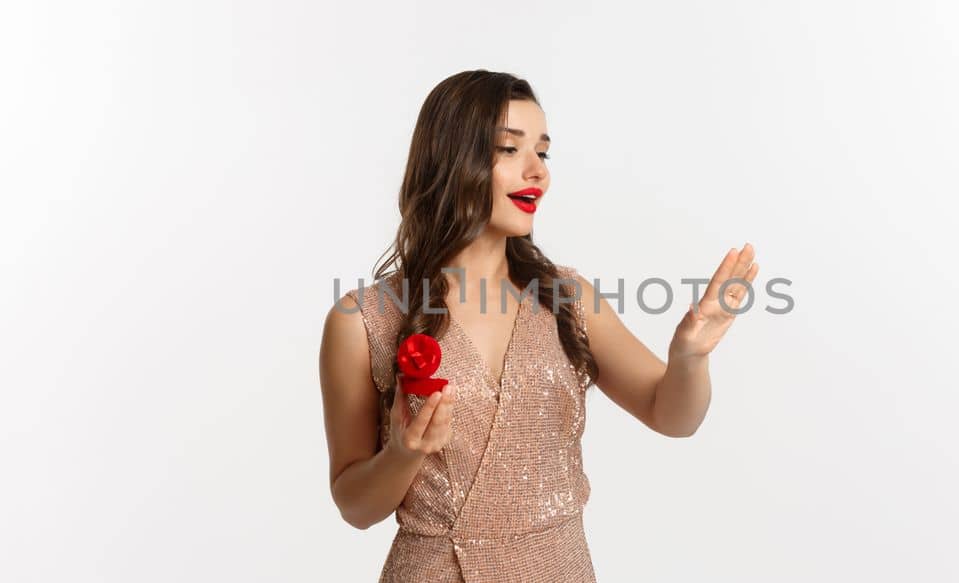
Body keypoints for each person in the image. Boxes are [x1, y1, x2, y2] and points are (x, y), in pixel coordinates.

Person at [319, 69, 759, 582]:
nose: (537, 172)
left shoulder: (568, 300)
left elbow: (673, 416)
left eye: (543, 153)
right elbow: (355, 507)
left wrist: (689, 359)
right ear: (450, 159)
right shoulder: (362, 320)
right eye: (509, 150)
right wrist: (403, 453)